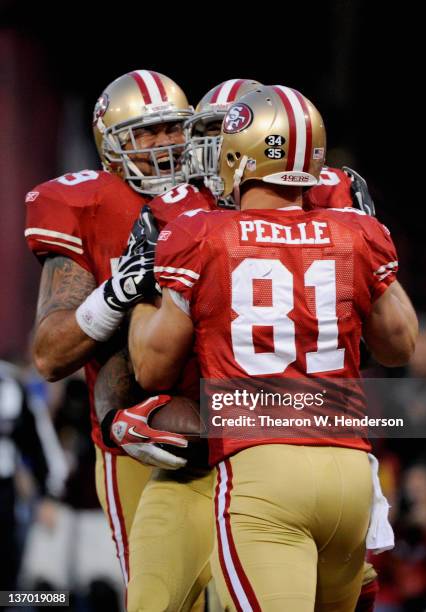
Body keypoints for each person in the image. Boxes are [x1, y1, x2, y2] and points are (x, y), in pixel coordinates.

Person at [128, 84, 418, 611]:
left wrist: (144, 290)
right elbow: (400, 345)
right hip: (349, 472)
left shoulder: (199, 233)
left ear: (242, 154)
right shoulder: (355, 229)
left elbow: (151, 367)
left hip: (261, 469)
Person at [25, 69, 194, 589]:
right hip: (142, 441)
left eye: (173, 129)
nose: (166, 144)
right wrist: (115, 294)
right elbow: (50, 357)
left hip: (245, 424)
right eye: (147, 132)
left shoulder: (223, 194)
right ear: (111, 145)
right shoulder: (87, 205)